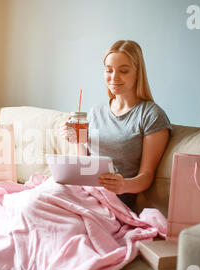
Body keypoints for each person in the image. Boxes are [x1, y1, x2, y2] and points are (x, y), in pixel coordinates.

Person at [60, 40, 172, 210]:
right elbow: (84, 164)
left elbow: (146, 176)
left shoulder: (151, 115)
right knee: (34, 202)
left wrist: (123, 185)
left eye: (124, 71)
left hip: (113, 201)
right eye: (109, 70)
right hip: (85, 191)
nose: (114, 78)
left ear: (137, 72)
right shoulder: (95, 111)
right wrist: (76, 140)